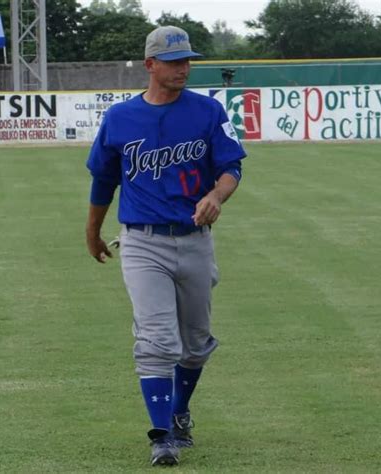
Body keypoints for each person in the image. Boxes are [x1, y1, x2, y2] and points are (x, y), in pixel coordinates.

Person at [86, 25, 247, 467]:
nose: (184, 68)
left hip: (195, 241)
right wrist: (92, 230)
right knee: (157, 339)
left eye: (187, 60)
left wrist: (216, 195)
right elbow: (104, 178)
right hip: (142, 242)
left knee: (194, 344)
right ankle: (161, 436)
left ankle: (178, 412)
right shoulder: (120, 118)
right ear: (150, 65)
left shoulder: (207, 112)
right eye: (174, 61)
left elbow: (232, 165)